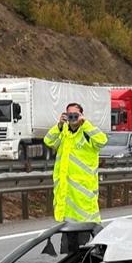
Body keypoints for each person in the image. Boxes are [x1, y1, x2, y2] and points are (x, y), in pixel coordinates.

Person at [44, 103, 107, 251]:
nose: (72, 118)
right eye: (69, 114)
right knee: (71, 247)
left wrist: (85, 123)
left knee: (90, 242)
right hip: (67, 200)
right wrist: (59, 125)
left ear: (81, 116)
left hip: (84, 199)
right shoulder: (64, 133)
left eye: (75, 114)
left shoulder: (86, 132)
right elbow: (48, 141)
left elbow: (102, 140)